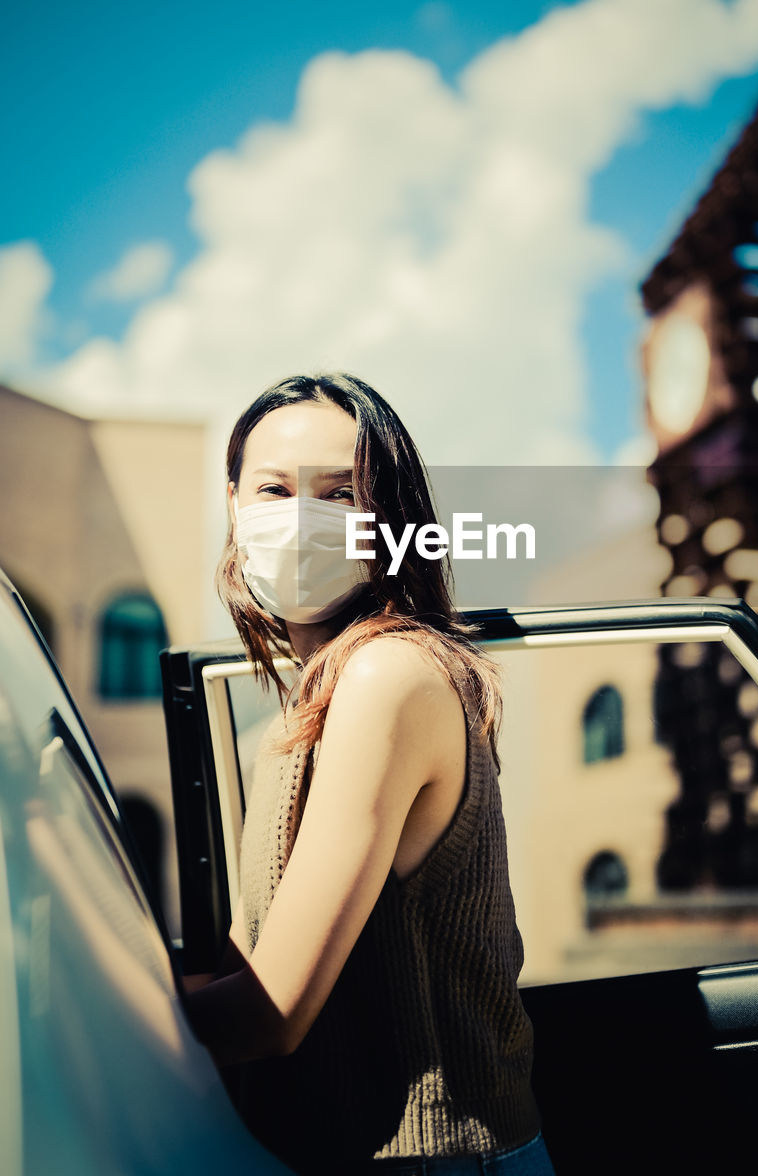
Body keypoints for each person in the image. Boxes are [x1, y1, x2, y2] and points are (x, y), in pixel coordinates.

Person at [181, 372, 555, 1176]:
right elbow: (248, 957)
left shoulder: (390, 677)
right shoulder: (295, 711)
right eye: (274, 490)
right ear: (235, 509)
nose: (301, 519)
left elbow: (266, 1015)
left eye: (341, 493)